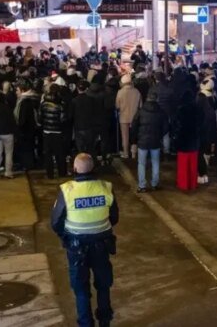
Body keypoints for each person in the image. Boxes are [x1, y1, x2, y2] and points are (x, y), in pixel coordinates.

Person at [50, 153, 119, 327]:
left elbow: (56, 222)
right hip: (102, 244)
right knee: (103, 285)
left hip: (76, 246)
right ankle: (105, 322)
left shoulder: (67, 190)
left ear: (74, 169)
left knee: (81, 289)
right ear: (93, 168)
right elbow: (114, 217)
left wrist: (66, 236)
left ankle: (86, 323)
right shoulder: (105, 187)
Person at [133, 95, 169, 192]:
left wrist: (135, 140)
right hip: (155, 141)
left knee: (141, 163)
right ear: (156, 99)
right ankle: (155, 183)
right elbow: (166, 127)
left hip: (142, 141)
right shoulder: (161, 112)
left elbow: (134, 126)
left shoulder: (140, 111)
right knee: (155, 162)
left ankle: (142, 186)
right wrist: (160, 136)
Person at [174, 91, 201, 191]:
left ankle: (183, 184)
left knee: (183, 165)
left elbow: (176, 125)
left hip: (183, 141)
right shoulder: (197, 109)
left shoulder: (180, 110)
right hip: (194, 141)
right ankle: (192, 183)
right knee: (193, 165)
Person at [40, 89, 67, 179]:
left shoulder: (43, 105)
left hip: (46, 131)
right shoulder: (60, 106)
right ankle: (62, 173)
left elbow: (40, 117)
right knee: (59, 154)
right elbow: (63, 120)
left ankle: (49, 174)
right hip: (58, 132)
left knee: (48, 154)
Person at [115, 74, 141, 160]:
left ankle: (126, 153)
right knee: (134, 136)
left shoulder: (120, 92)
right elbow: (141, 105)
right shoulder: (137, 91)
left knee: (125, 136)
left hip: (124, 117)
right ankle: (134, 153)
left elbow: (117, 106)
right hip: (135, 117)